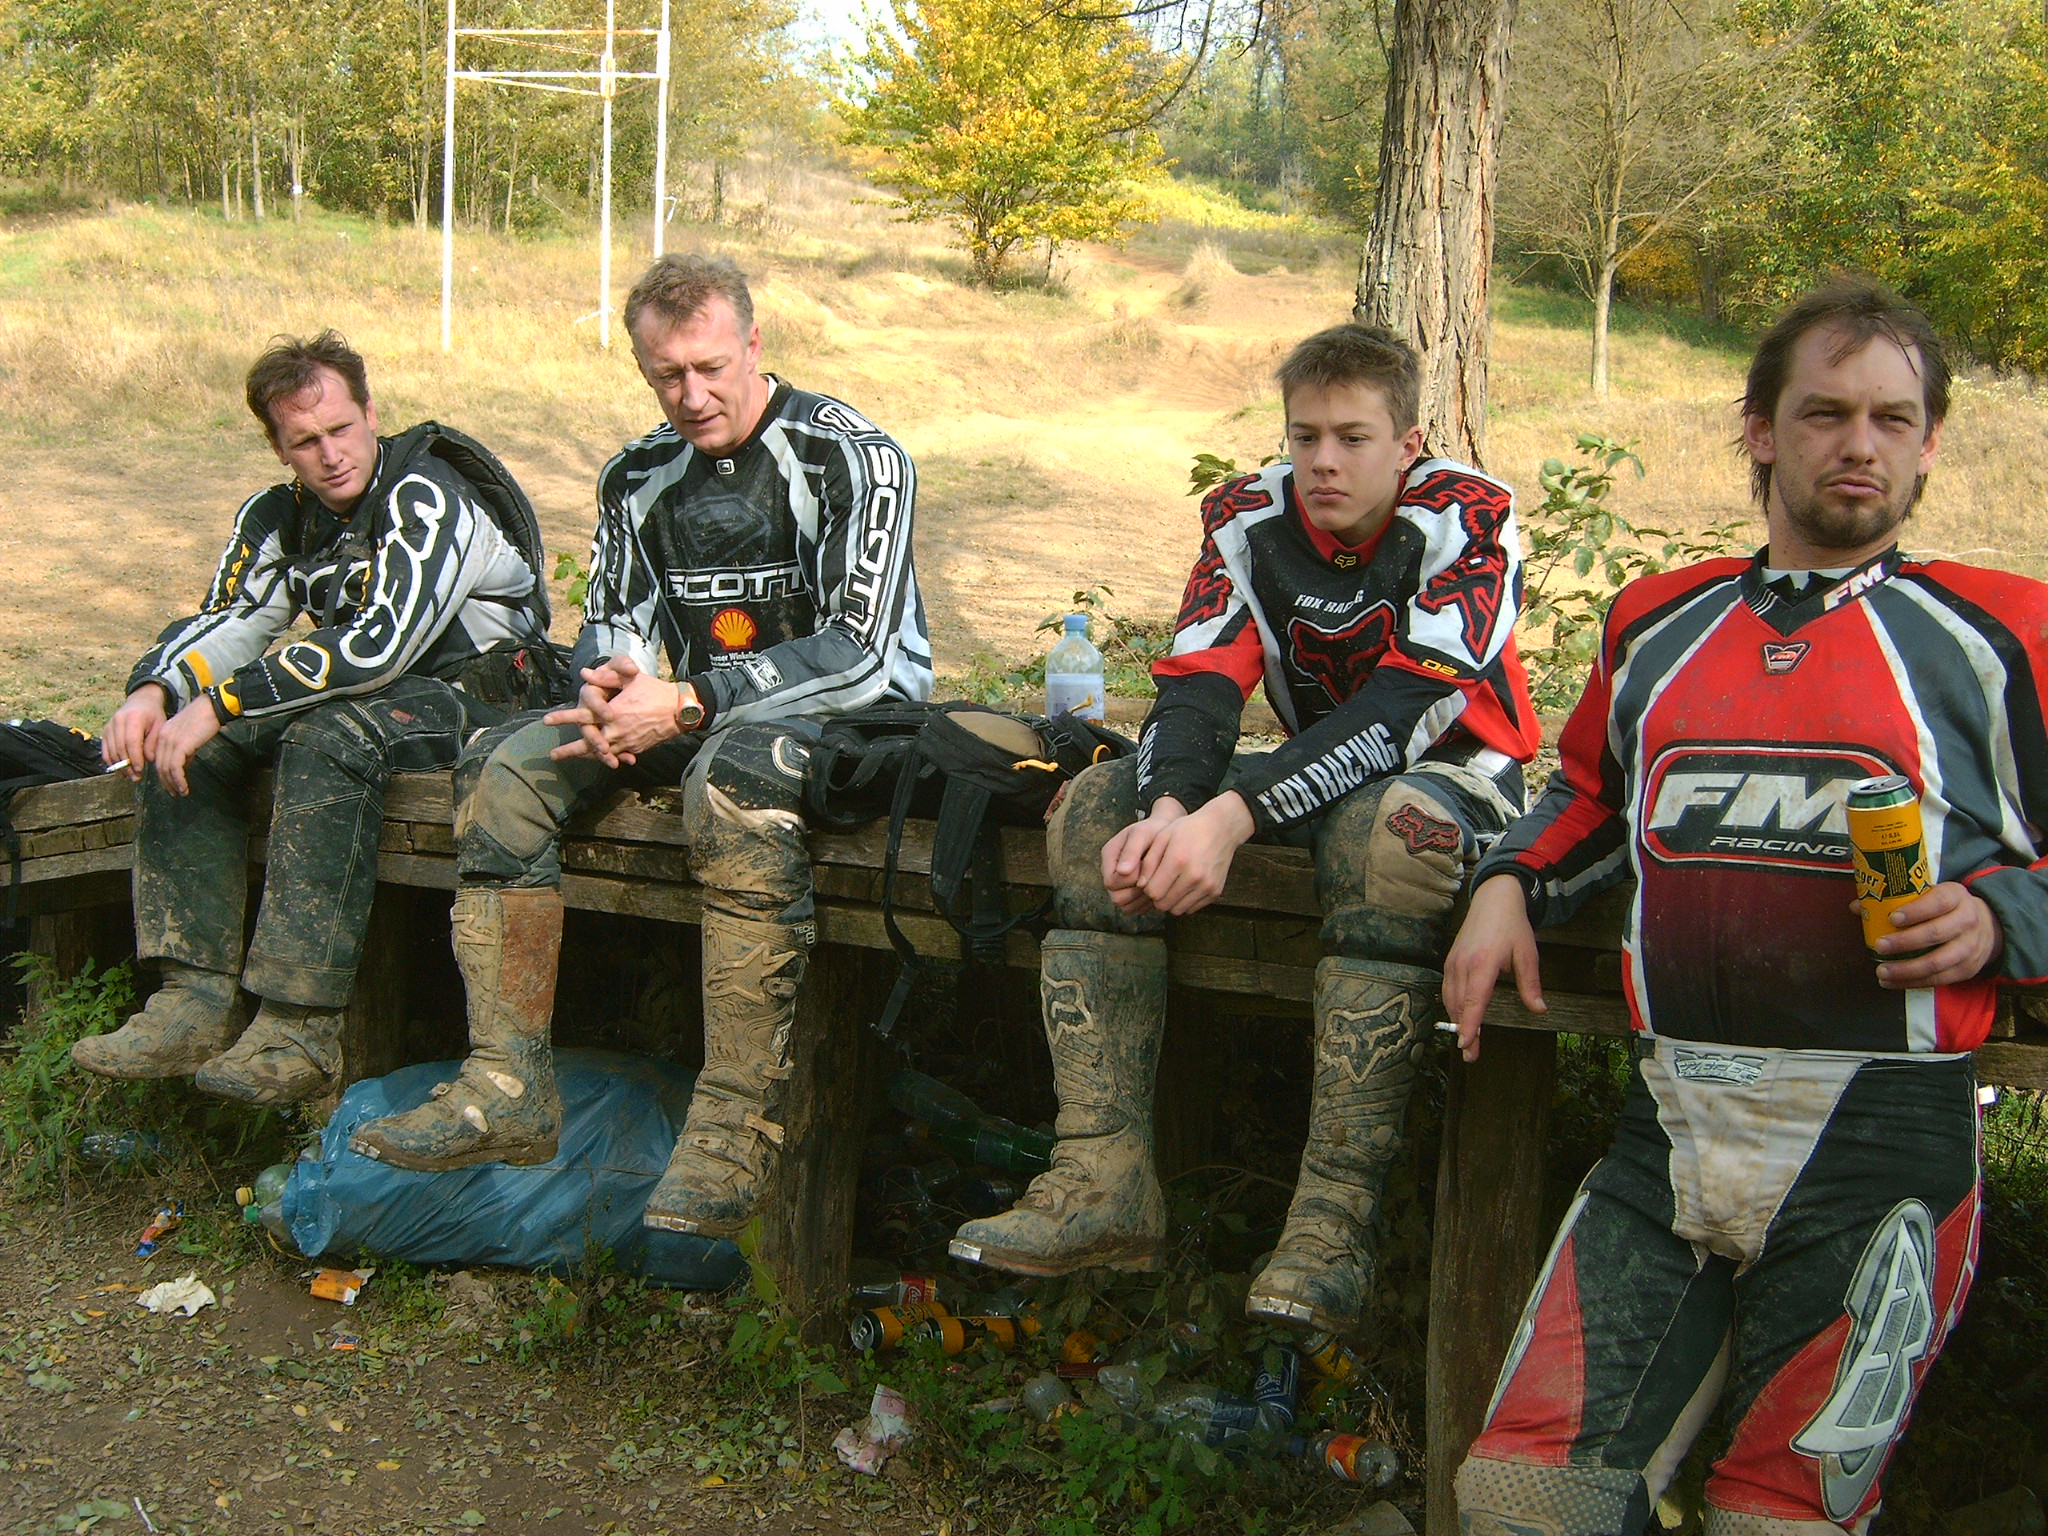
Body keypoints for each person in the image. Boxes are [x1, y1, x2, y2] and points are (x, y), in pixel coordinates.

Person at [1444, 277, 2043, 1536]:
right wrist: (1505, 882)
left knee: (1779, 1521)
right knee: (1518, 1498)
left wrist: (1999, 919)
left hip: (1880, 1139)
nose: (1859, 444)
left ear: (1929, 442)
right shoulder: (1654, 620)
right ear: (1760, 430)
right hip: (1667, 1120)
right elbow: (1588, 795)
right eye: (1824, 413)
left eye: (1891, 418)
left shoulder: (2005, 635)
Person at [949, 323, 1541, 1335]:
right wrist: (1171, 810)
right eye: (1304, 435)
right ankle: (1101, 1178)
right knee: (1098, 808)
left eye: (1352, 438)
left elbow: (1402, 710)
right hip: (1303, 775)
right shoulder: (1243, 515)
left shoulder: (1469, 518)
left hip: (1456, 775)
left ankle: (1331, 1224)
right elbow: (1196, 684)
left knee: (1383, 835)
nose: (1323, 461)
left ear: (1407, 443)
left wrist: (1233, 816)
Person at [348, 253, 933, 1243]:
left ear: (754, 345)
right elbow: (614, 621)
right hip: (691, 712)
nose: (691, 396)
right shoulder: (635, 474)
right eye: (667, 375)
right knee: (504, 766)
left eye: (710, 368)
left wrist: (691, 701)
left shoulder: (853, 457)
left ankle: (735, 1125)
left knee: (731, 779)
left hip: (852, 722)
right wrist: (607, 682)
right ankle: (505, 1084)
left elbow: (862, 654)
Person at [73, 331, 550, 1105]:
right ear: (279, 447)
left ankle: (298, 1026)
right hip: (373, 694)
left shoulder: (429, 494)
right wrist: (155, 693)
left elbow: (379, 647)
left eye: (340, 429)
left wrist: (221, 702)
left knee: (327, 737)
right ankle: (191, 1000)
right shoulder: (279, 516)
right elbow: (233, 621)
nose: (330, 455)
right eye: (305, 441)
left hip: (487, 695)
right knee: (192, 743)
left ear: (370, 413)